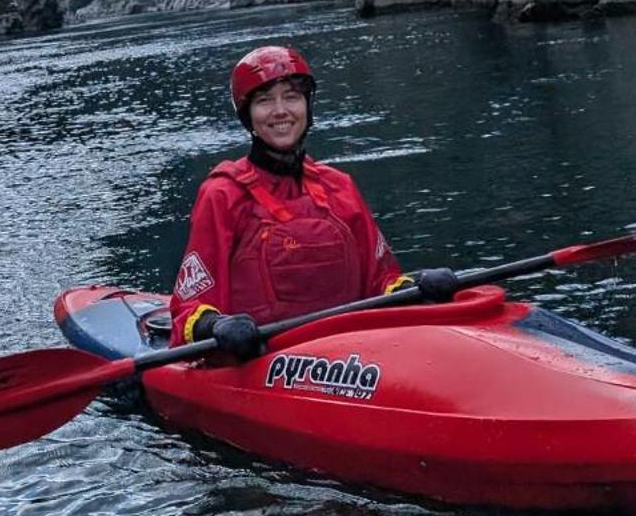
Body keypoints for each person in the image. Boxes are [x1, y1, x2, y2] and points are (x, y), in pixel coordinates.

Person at [169, 43, 457, 360]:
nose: (280, 111)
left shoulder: (340, 186)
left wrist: (414, 286)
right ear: (247, 116)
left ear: (307, 106)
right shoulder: (222, 195)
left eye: (291, 97)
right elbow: (190, 308)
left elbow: (381, 280)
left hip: (354, 359)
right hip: (260, 363)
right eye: (265, 101)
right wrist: (215, 325)